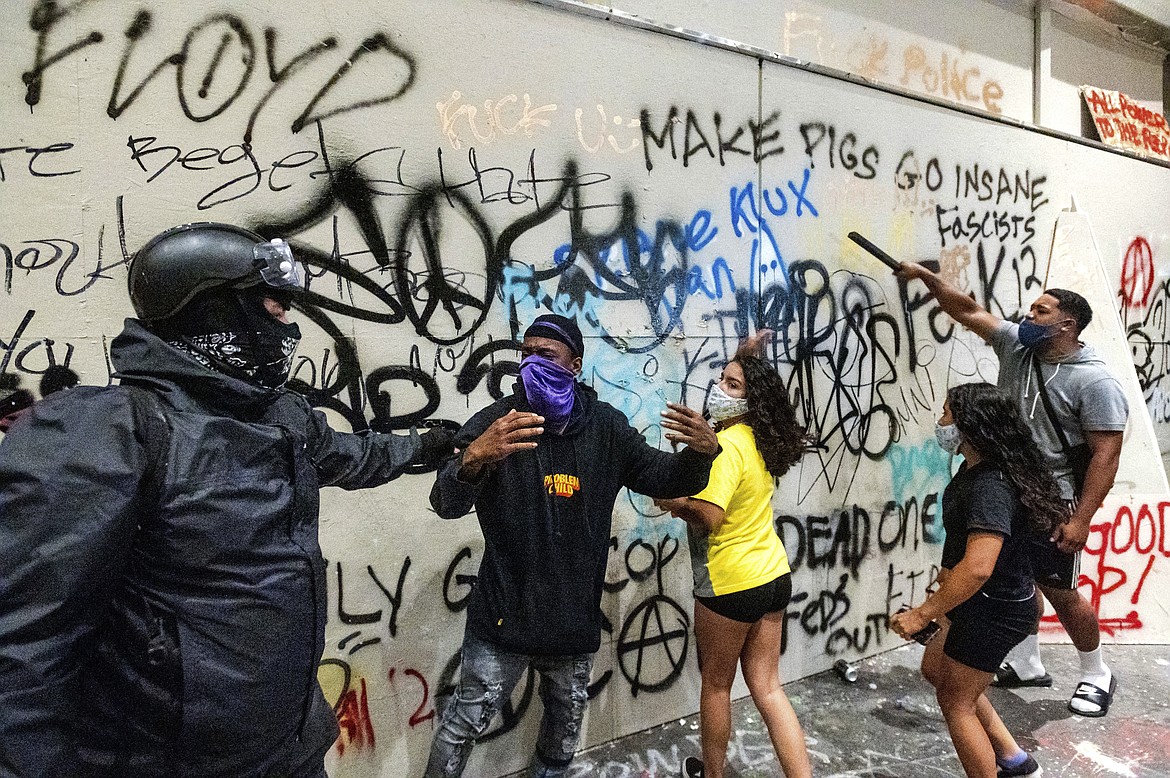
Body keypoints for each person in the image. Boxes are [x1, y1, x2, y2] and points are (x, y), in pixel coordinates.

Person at [0, 222, 454, 777]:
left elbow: (352, 456)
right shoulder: (114, 433)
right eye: (275, 306)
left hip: (291, 751)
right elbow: (22, 652)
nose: (288, 326)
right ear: (214, 311)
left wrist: (436, 445)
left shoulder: (277, 419)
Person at [425, 313, 721, 778]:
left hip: (572, 621)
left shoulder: (605, 429)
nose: (532, 364)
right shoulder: (498, 425)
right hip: (504, 617)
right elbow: (445, 502)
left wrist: (702, 453)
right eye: (526, 355)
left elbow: (663, 475)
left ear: (575, 364)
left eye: (546, 355)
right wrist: (474, 457)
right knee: (463, 724)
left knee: (564, 725)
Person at [896, 263, 1126, 717]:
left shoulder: (1094, 381)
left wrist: (1081, 519)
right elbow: (967, 310)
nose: (1028, 316)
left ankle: (1096, 671)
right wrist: (927, 278)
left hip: (1053, 501)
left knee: (1060, 590)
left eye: (1040, 311)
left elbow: (1106, 454)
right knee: (1018, 581)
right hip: (1009, 490)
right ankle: (1025, 660)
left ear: (1067, 325)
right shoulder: (1016, 347)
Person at [653, 332, 813, 778]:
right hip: (774, 576)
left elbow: (710, 516)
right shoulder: (756, 438)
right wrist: (744, 358)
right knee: (768, 687)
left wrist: (672, 500)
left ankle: (713, 775)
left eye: (732, 385)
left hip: (730, 584)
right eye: (721, 379)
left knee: (717, 687)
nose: (719, 389)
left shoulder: (724, 450)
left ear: (749, 400)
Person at [892, 382, 1066, 778]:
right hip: (980, 603)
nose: (940, 422)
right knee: (937, 669)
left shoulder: (991, 484)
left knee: (957, 704)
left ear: (972, 424)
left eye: (947, 415)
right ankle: (1015, 760)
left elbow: (979, 567)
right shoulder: (983, 471)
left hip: (992, 610)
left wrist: (923, 614)